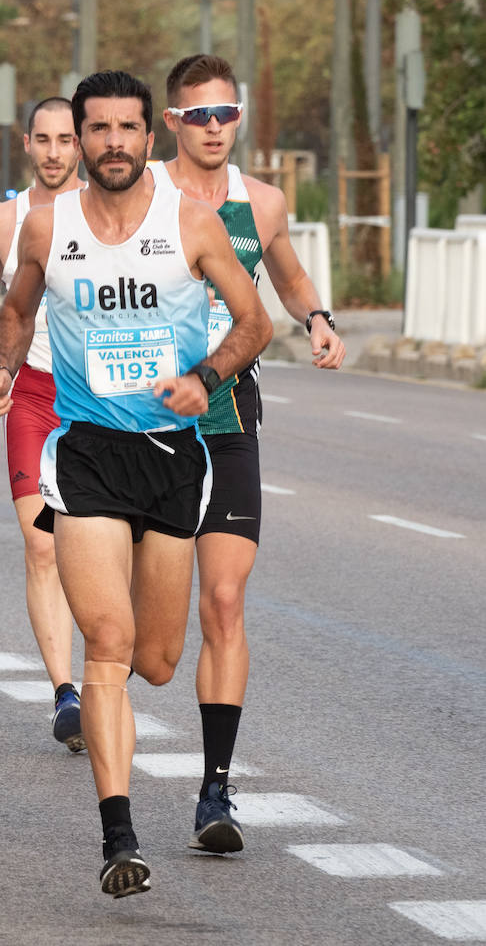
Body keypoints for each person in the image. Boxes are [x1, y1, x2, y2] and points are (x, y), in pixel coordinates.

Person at [0, 70, 271, 898]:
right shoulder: (45, 225)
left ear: (150, 136)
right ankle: (119, 836)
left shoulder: (191, 222)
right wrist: (2, 373)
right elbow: (17, 311)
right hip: (89, 452)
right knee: (105, 648)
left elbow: (255, 322)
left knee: (160, 658)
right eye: (94, 128)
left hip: (174, 456)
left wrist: (205, 377)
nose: (110, 143)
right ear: (79, 135)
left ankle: (132, 788)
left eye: (124, 129)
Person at [154, 53, 346, 854]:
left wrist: (319, 318)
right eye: (198, 115)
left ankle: (216, 791)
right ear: (173, 122)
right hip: (142, 423)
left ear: (239, 118)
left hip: (227, 417)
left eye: (225, 113)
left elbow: (291, 276)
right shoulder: (141, 197)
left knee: (225, 602)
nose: (213, 127)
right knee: (152, 646)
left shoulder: (261, 203)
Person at [0, 96, 87, 752]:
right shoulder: (3, 219)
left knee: (97, 548)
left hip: (100, 400)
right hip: (33, 397)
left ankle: (104, 676)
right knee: (43, 543)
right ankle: (67, 693)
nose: (55, 152)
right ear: (28, 144)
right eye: (44, 140)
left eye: (67, 139)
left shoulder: (105, 213)